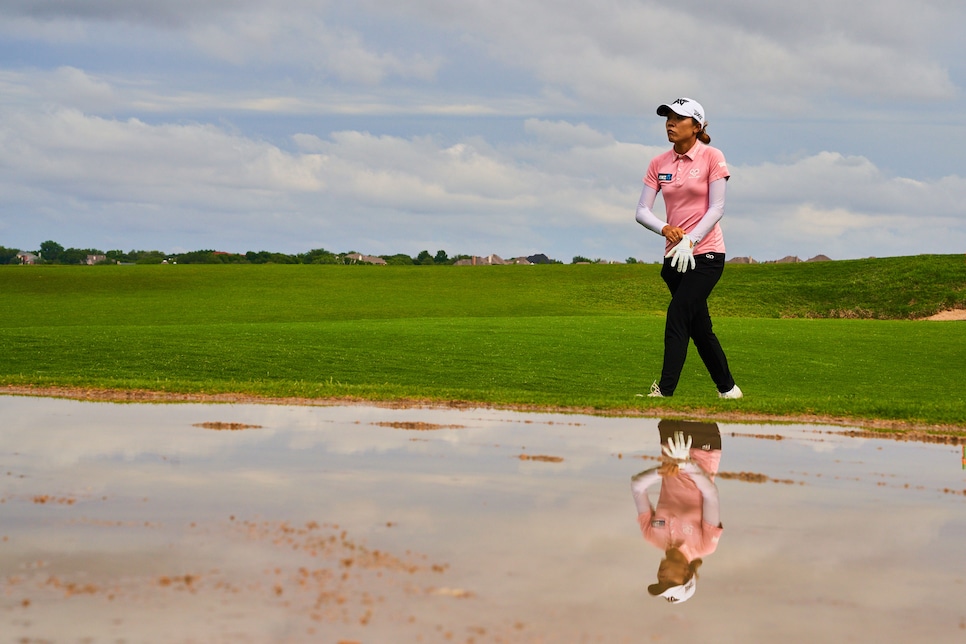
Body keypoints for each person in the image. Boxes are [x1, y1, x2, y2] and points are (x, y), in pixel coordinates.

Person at [635, 97, 742, 399]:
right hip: (674, 259)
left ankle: (664, 391)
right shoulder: (659, 163)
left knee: (678, 315)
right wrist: (665, 228)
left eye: (678, 118)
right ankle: (729, 389)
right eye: (667, 117)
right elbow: (642, 210)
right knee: (699, 327)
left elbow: (717, 208)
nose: (670, 122)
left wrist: (690, 239)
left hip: (706, 254)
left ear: (696, 126)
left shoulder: (712, 157)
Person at [631, 419, 723, 603]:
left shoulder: (651, 536)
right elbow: (711, 495)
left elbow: (637, 486)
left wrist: (661, 472)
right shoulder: (705, 546)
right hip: (704, 449)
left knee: (670, 396)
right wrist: (686, 464)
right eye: (670, 582)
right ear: (687, 575)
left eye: (659, 582)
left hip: (671, 448)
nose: (662, 577)